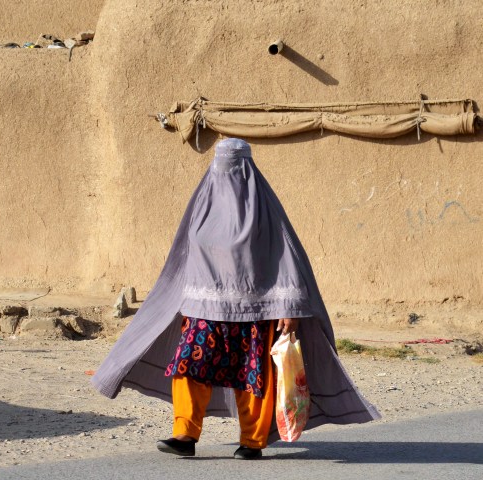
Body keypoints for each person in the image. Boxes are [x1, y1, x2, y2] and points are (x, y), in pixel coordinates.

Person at [91, 138, 380, 459]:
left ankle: (253, 442)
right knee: (189, 367)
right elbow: (184, 257)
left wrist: (289, 307)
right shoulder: (202, 208)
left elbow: (287, 259)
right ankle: (184, 434)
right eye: (222, 164)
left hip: (256, 311)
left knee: (252, 377)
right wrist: (181, 301)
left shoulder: (266, 212)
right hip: (204, 309)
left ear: (248, 168)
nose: (228, 174)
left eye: (236, 166)